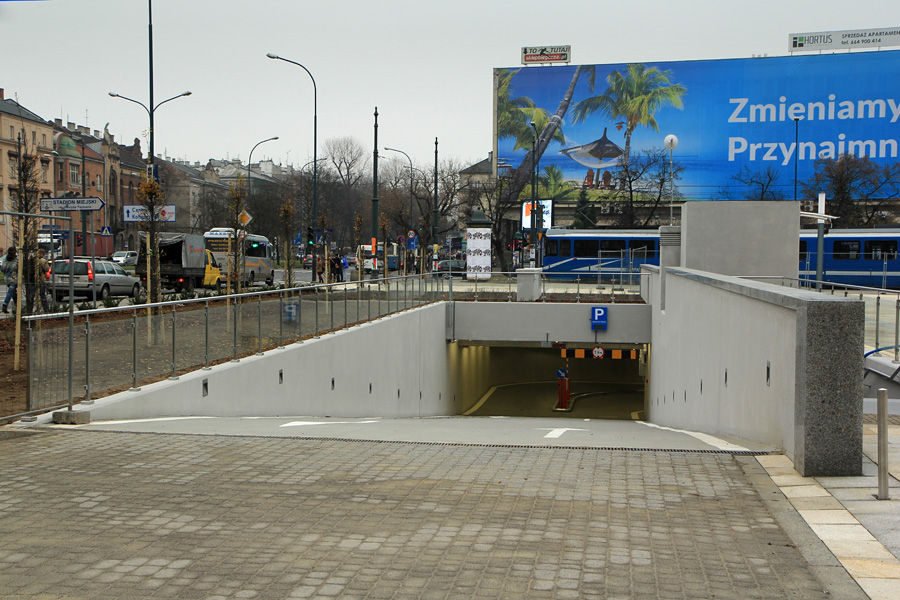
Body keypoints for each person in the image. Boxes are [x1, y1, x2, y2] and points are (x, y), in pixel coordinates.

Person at [1, 246, 18, 314]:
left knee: (13, 293)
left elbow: (2, 269)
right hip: (12, 278)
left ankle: (16, 308)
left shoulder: (4, 258)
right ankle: (5, 304)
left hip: (8, 278)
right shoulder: (15, 259)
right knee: (12, 289)